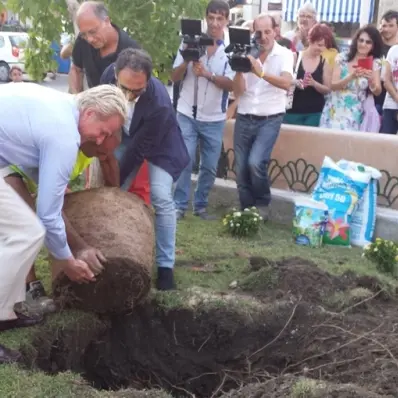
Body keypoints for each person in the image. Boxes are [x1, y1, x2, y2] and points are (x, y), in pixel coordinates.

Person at [0, 82, 127, 363]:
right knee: (26, 233)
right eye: (103, 131)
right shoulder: (64, 134)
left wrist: (74, 248)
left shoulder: (61, 109)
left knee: (21, 231)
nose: (100, 140)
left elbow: (50, 199)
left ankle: (5, 313)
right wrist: (67, 259)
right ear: (90, 113)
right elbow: (47, 214)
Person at [100, 48, 190, 290]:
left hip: (161, 142)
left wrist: (117, 182)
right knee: (110, 193)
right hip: (126, 134)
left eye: (136, 90)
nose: (128, 96)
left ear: (148, 80)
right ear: (116, 75)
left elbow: (138, 153)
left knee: (161, 198)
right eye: (124, 88)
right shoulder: (108, 75)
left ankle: (165, 267)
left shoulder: (159, 104)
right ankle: (110, 253)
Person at [4, 136, 121, 315]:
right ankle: (29, 288)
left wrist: (115, 204)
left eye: (107, 153)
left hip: (32, 173)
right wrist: (80, 248)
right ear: (97, 138)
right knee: (26, 224)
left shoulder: (96, 148)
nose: (104, 156)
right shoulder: (65, 144)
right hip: (8, 165)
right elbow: (50, 211)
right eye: (102, 152)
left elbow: (110, 171)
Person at [171, 0, 234, 221]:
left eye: (220, 18)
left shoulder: (231, 48)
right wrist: (186, 62)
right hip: (187, 112)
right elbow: (174, 77)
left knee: (208, 166)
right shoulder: (190, 41)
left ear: (227, 20)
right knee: (185, 159)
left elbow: (233, 84)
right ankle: (179, 205)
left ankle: (200, 205)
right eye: (212, 17)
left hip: (215, 118)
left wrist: (208, 75)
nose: (215, 23)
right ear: (206, 17)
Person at [232, 14, 293, 219]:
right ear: (253, 33)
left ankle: (262, 204)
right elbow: (238, 91)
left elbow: (286, 83)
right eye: (259, 32)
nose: (264, 36)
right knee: (240, 167)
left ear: (276, 31)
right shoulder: (249, 52)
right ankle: (247, 211)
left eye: (268, 31)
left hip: (270, 117)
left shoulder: (284, 54)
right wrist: (240, 70)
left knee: (256, 162)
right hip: (245, 115)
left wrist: (261, 73)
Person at [320, 25, 382, 131]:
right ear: (356, 41)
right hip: (335, 108)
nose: (363, 44)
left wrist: (371, 82)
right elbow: (333, 85)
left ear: (373, 45)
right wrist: (351, 76)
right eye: (361, 40)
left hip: (355, 113)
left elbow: (378, 91)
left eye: (368, 42)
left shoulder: (375, 63)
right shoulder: (342, 58)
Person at [69, 1, 140, 93]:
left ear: (107, 21)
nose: (89, 39)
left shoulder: (132, 51)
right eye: (84, 34)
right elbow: (76, 69)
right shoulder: (82, 40)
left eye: (93, 32)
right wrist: (76, 98)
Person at [284, 23, 332, 127]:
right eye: (319, 45)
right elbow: (284, 80)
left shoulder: (325, 62)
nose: (321, 49)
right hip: (292, 111)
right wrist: (296, 82)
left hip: (315, 112)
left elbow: (327, 89)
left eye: (324, 46)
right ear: (310, 40)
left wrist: (314, 84)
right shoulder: (295, 57)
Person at [381, 44, 398, 134]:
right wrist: (396, 97)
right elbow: (386, 80)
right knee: (386, 144)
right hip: (391, 106)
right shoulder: (394, 50)